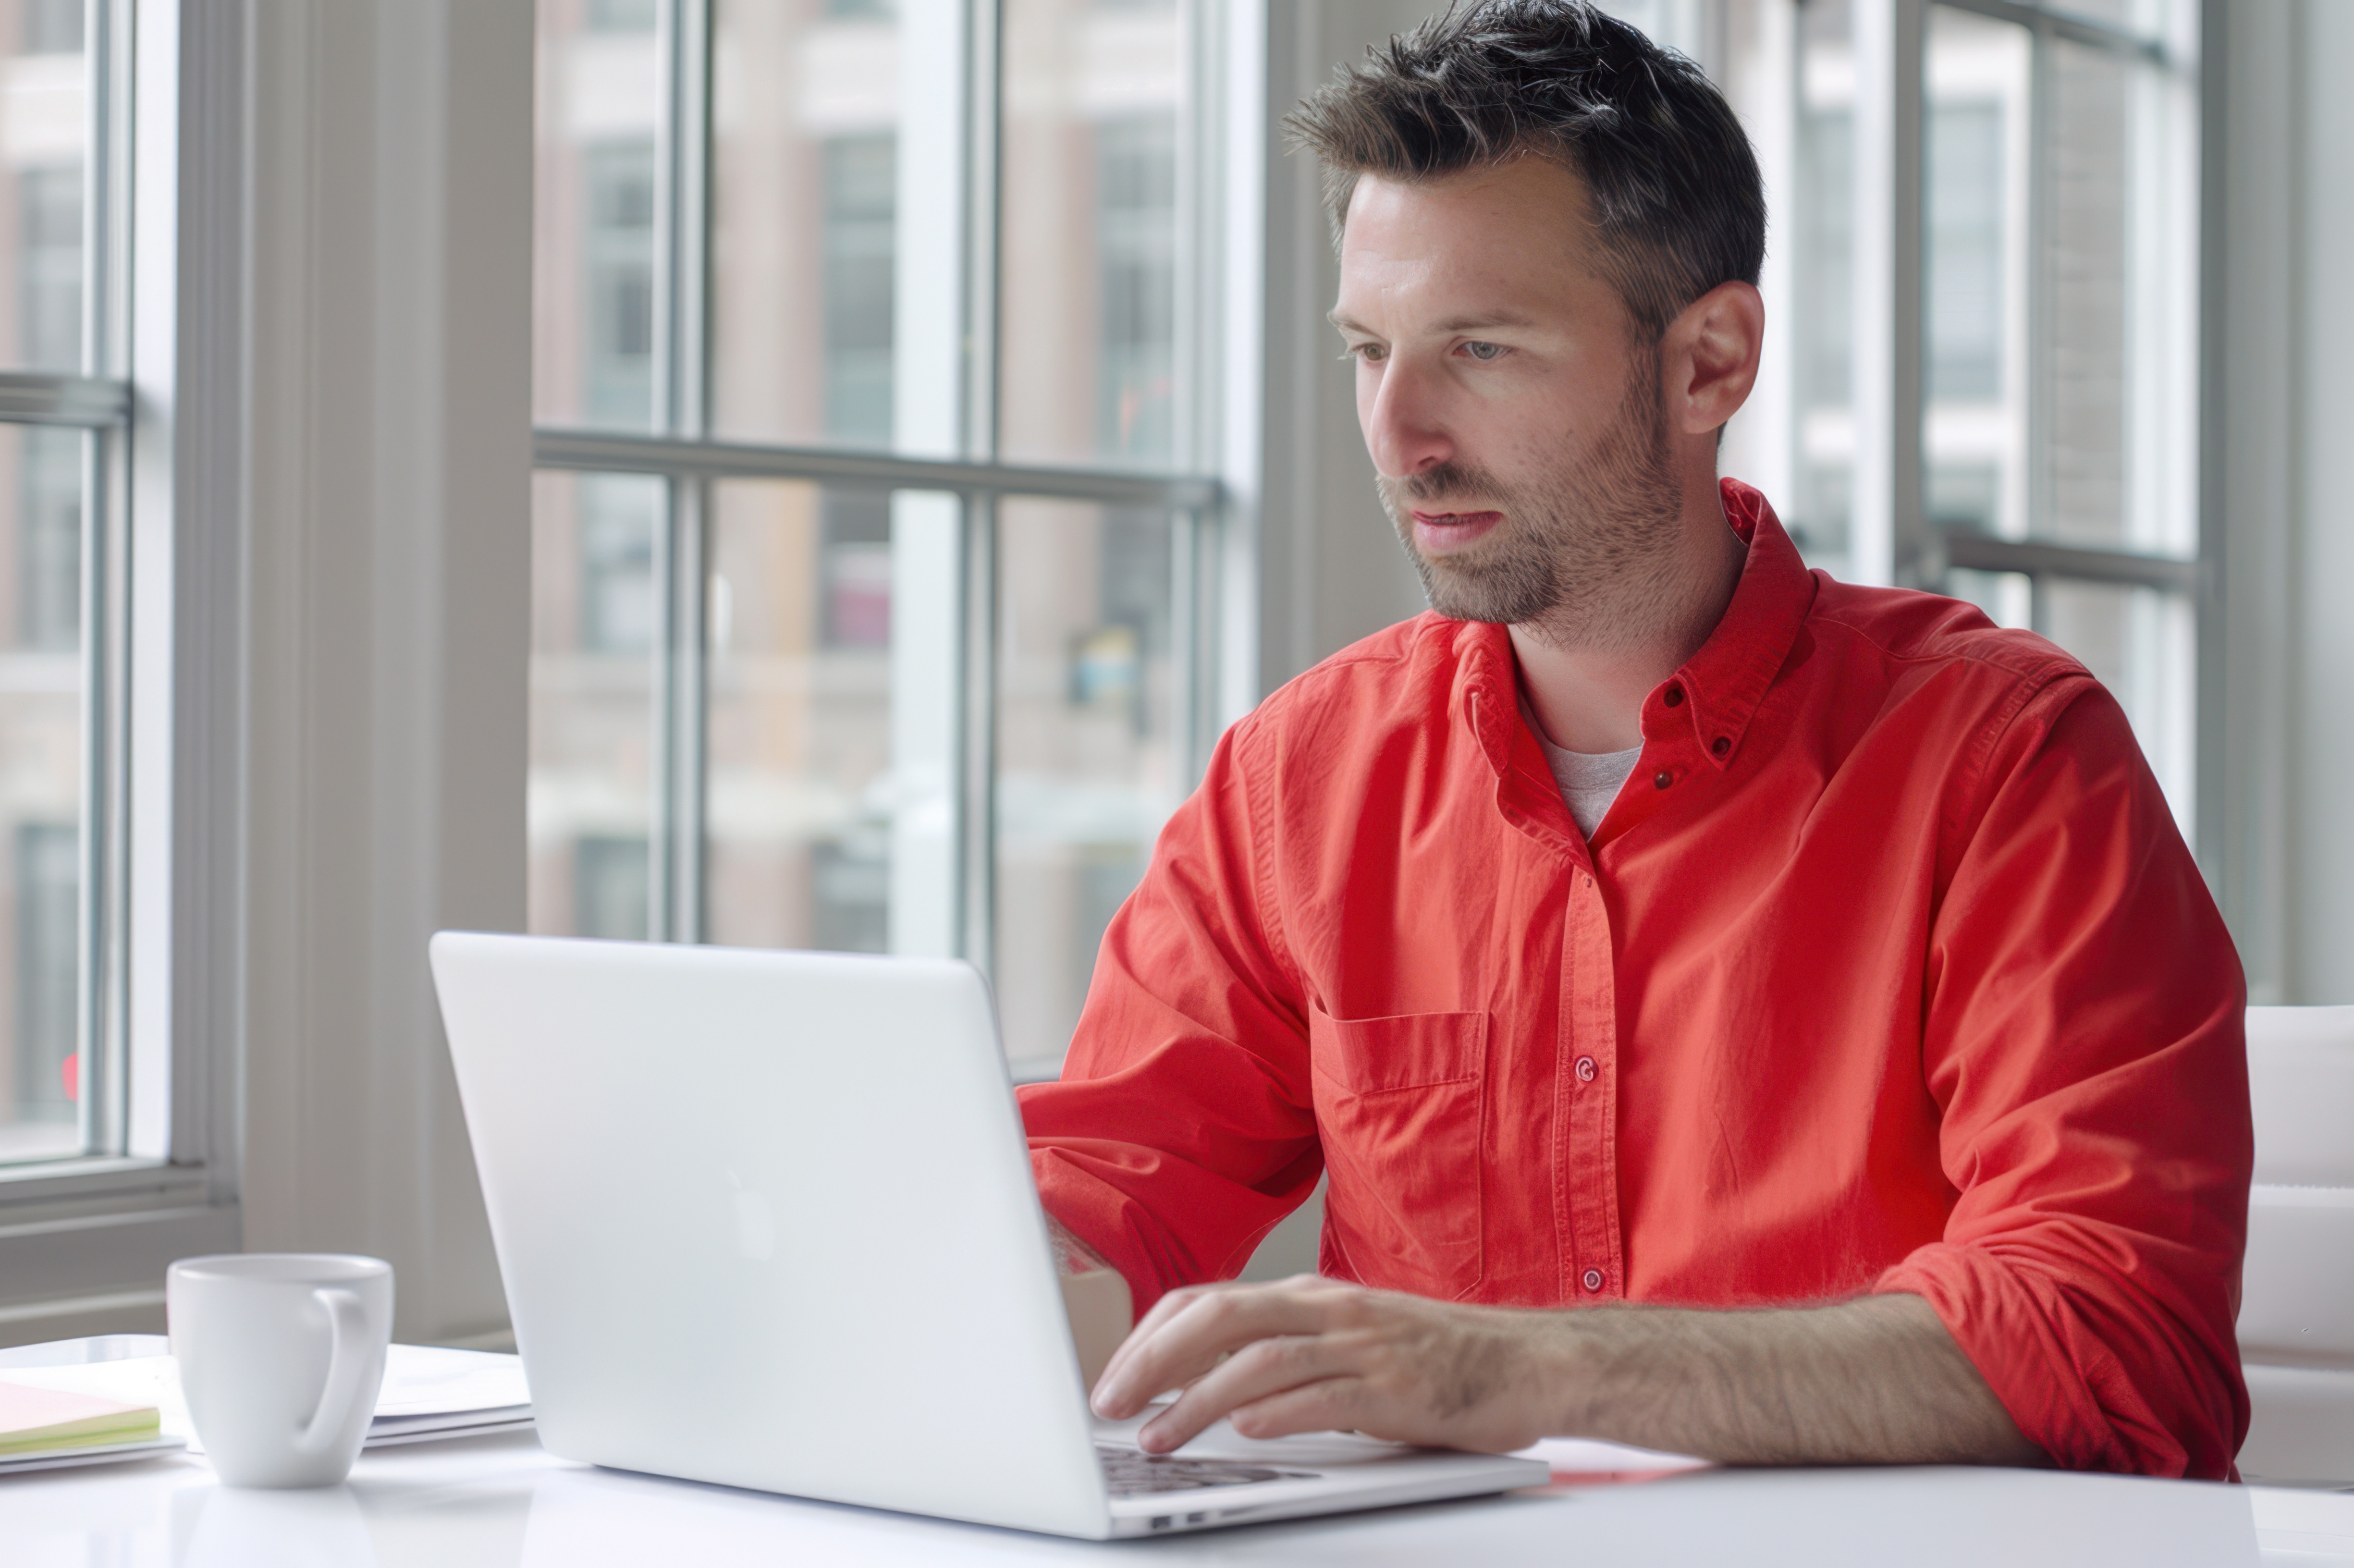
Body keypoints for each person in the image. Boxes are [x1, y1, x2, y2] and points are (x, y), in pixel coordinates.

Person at [1018, 0, 2248, 1478]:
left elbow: (2113, 1336)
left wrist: (1525, 1369)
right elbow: (1095, 1191)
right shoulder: (1300, 779)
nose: (1396, 432)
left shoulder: (2005, 760)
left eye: (1477, 348)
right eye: (1368, 348)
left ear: (1707, 363)